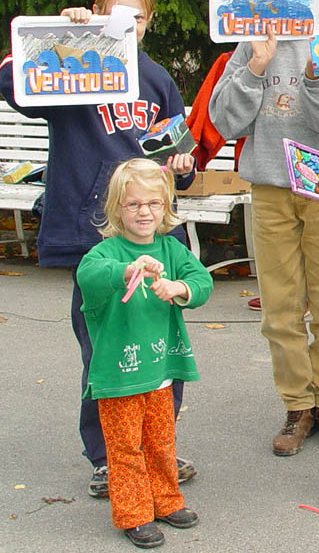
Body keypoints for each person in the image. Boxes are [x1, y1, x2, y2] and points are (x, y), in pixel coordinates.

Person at [0, 0, 198, 497]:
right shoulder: (73, 62)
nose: (124, 25)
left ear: (149, 21)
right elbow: (10, 81)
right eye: (112, 14)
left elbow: (179, 158)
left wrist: (182, 166)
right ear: (96, 10)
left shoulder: (157, 79)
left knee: (160, 346)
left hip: (151, 234)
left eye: (136, 18)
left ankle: (157, 449)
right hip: (92, 233)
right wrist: (59, 35)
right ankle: (109, 457)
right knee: (103, 349)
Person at [210, 0, 319, 456]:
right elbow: (223, 119)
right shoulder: (250, 33)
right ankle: (298, 405)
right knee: (279, 308)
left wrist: (316, 76)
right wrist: (254, 66)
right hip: (271, 184)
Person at [76, 159, 212, 548]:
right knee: (124, 448)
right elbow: (89, 277)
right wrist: (127, 270)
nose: (144, 212)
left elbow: (201, 281)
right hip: (119, 374)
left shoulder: (172, 248)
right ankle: (134, 513)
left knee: (161, 441)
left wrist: (179, 288)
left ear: (165, 206)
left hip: (161, 370)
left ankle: (166, 500)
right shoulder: (104, 252)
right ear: (117, 208)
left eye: (153, 203)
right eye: (133, 204)